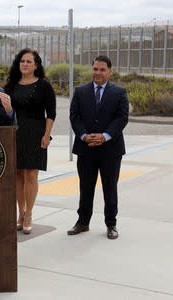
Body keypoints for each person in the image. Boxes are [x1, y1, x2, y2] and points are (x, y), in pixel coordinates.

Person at [68, 55, 129, 239]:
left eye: (102, 69)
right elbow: (74, 116)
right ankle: (83, 222)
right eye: (95, 69)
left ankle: (111, 224)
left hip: (110, 149)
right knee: (85, 187)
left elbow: (122, 117)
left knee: (110, 188)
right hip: (85, 148)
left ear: (110, 71)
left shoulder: (119, 92)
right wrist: (85, 135)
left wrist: (105, 136)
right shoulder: (80, 91)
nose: (98, 73)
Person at [1, 48, 56, 234]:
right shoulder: (11, 85)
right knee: (17, 174)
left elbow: (51, 113)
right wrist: (8, 110)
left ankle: (29, 214)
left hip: (36, 133)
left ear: (36, 65)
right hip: (15, 132)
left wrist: (47, 135)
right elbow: (5, 113)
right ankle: (20, 212)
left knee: (31, 174)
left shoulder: (44, 85)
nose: (24, 64)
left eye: (28, 61)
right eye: (22, 61)